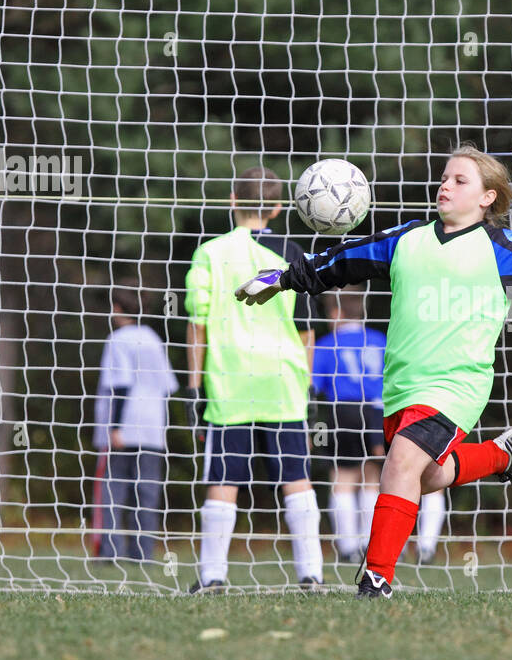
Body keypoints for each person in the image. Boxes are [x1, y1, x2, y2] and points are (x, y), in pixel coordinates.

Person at [236, 143, 512, 598]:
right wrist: (284, 278)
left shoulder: (501, 249)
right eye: (444, 178)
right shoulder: (406, 238)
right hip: (403, 385)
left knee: (400, 465)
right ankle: (500, 455)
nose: (445, 185)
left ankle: (376, 578)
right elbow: (343, 260)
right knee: (426, 477)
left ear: (488, 197)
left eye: (459, 180)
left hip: (457, 384)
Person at [183, 165, 323, 591]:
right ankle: (311, 573)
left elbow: (198, 325)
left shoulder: (210, 252)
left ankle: (212, 577)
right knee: (295, 476)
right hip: (283, 383)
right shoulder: (293, 252)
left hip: (229, 384)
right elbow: (306, 332)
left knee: (224, 477)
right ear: (278, 208)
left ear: (232, 200)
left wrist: (194, 386)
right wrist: (308, 384)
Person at [91, 285, 178, 562]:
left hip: (124, 427)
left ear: (118, 308)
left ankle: (111, 552)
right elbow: (168, 385)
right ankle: (143, 554)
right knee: (146, 492)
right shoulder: (153, 338)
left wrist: (115, 427)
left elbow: (121, 384)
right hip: (152, 428)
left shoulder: (118, 339)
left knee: (113, 491)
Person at [310, 286, 387, 562]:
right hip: (377, 411)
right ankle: (371, 545)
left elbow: (313, 386)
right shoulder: (380, 340)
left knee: (342, 480)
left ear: (335, 312)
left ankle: (346, 547)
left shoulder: (326, 343)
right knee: (372, 479)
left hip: (342, 411)